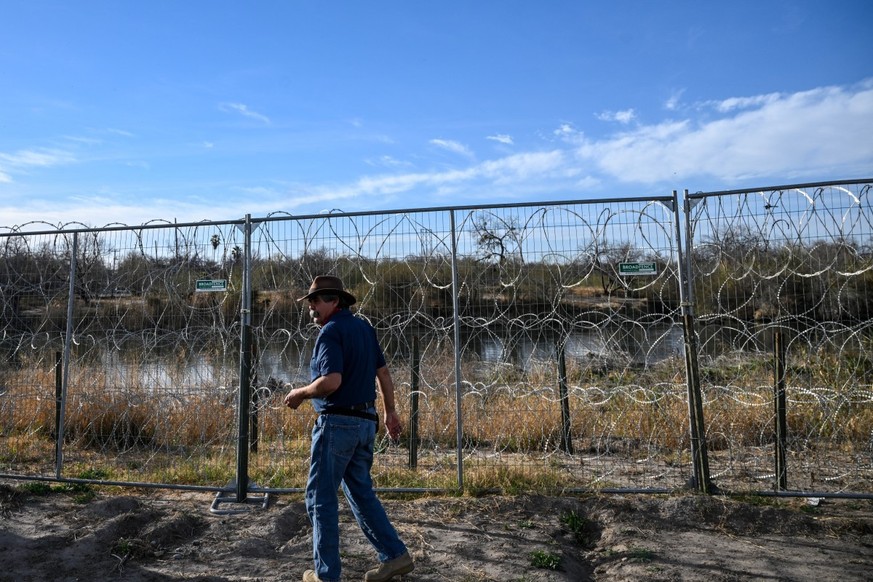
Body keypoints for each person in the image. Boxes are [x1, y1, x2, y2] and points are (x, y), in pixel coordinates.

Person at [283, 275, 414, 582]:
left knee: (320, 498)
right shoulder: (363, 328)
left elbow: (331, 382)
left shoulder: (330, 332)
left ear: (335, 302)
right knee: (360, 493)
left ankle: (326, 576)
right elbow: (382, 372)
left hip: (337, 424)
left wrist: (300, 394)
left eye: (317, 300)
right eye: (310, 302)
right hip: (366, 422)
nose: (312, 307)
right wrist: (389, 412)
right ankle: (395, 556)